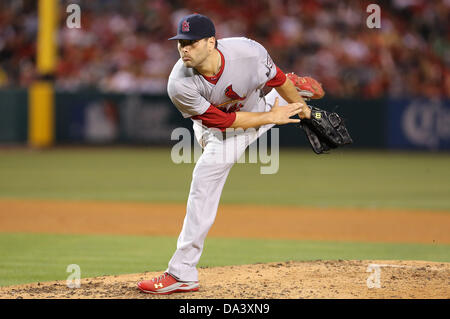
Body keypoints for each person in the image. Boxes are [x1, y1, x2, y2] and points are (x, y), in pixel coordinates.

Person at [137, 13, 323, 295]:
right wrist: (273, 116)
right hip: (219, 123)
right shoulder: (179, 83)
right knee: (220, 132)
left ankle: (182, 273)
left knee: (204, 178)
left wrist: (307, 113)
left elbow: (276, 77)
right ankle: (284, 96)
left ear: (212, 42)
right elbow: (220, 122)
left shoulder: (247, 52)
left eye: (192, 42)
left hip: (252, 108)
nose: (184, 49)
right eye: (180, 43)